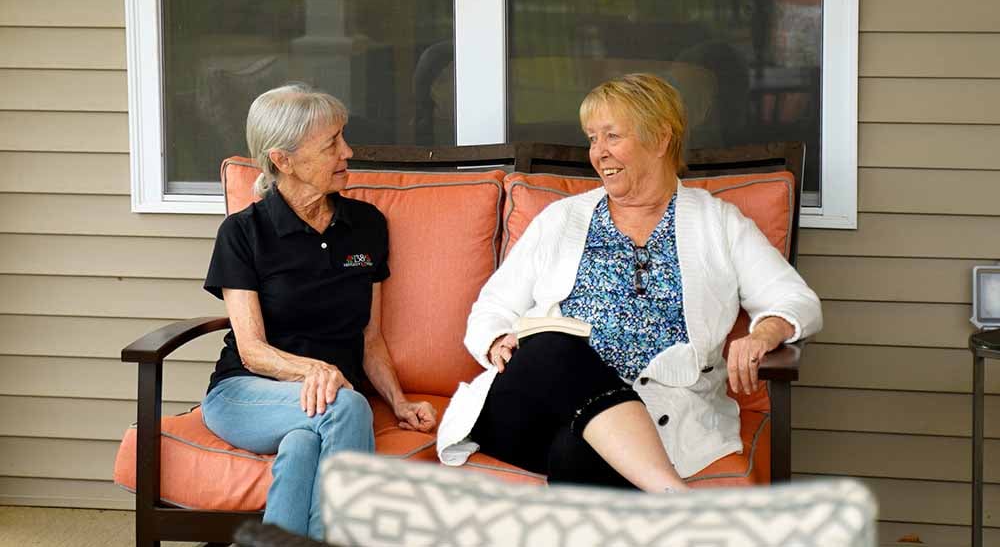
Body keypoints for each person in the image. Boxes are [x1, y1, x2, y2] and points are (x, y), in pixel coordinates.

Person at [436, 73, 820, 492]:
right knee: (551, 344)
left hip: (655, 414)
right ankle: (674, 497)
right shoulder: (562, 219)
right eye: (592, 138)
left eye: (611, 137)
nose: (598, 153)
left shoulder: (717, 223)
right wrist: (495, 341)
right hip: (531, 405)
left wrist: (764, 334)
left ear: (660, 139)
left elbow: (794, 298)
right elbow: (492, 307)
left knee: (578, 453)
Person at [200, 83, 436, 539]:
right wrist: (317, 371)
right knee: (346, 407)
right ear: (282, 160)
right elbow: (251, 351)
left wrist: (399, 401)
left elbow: (369, 335)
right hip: (245, 395)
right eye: (331, 143)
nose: (347, 151)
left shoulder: (365, 225)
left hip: (320, 405)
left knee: (303, 446)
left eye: (342, 137)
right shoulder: (243, 233)